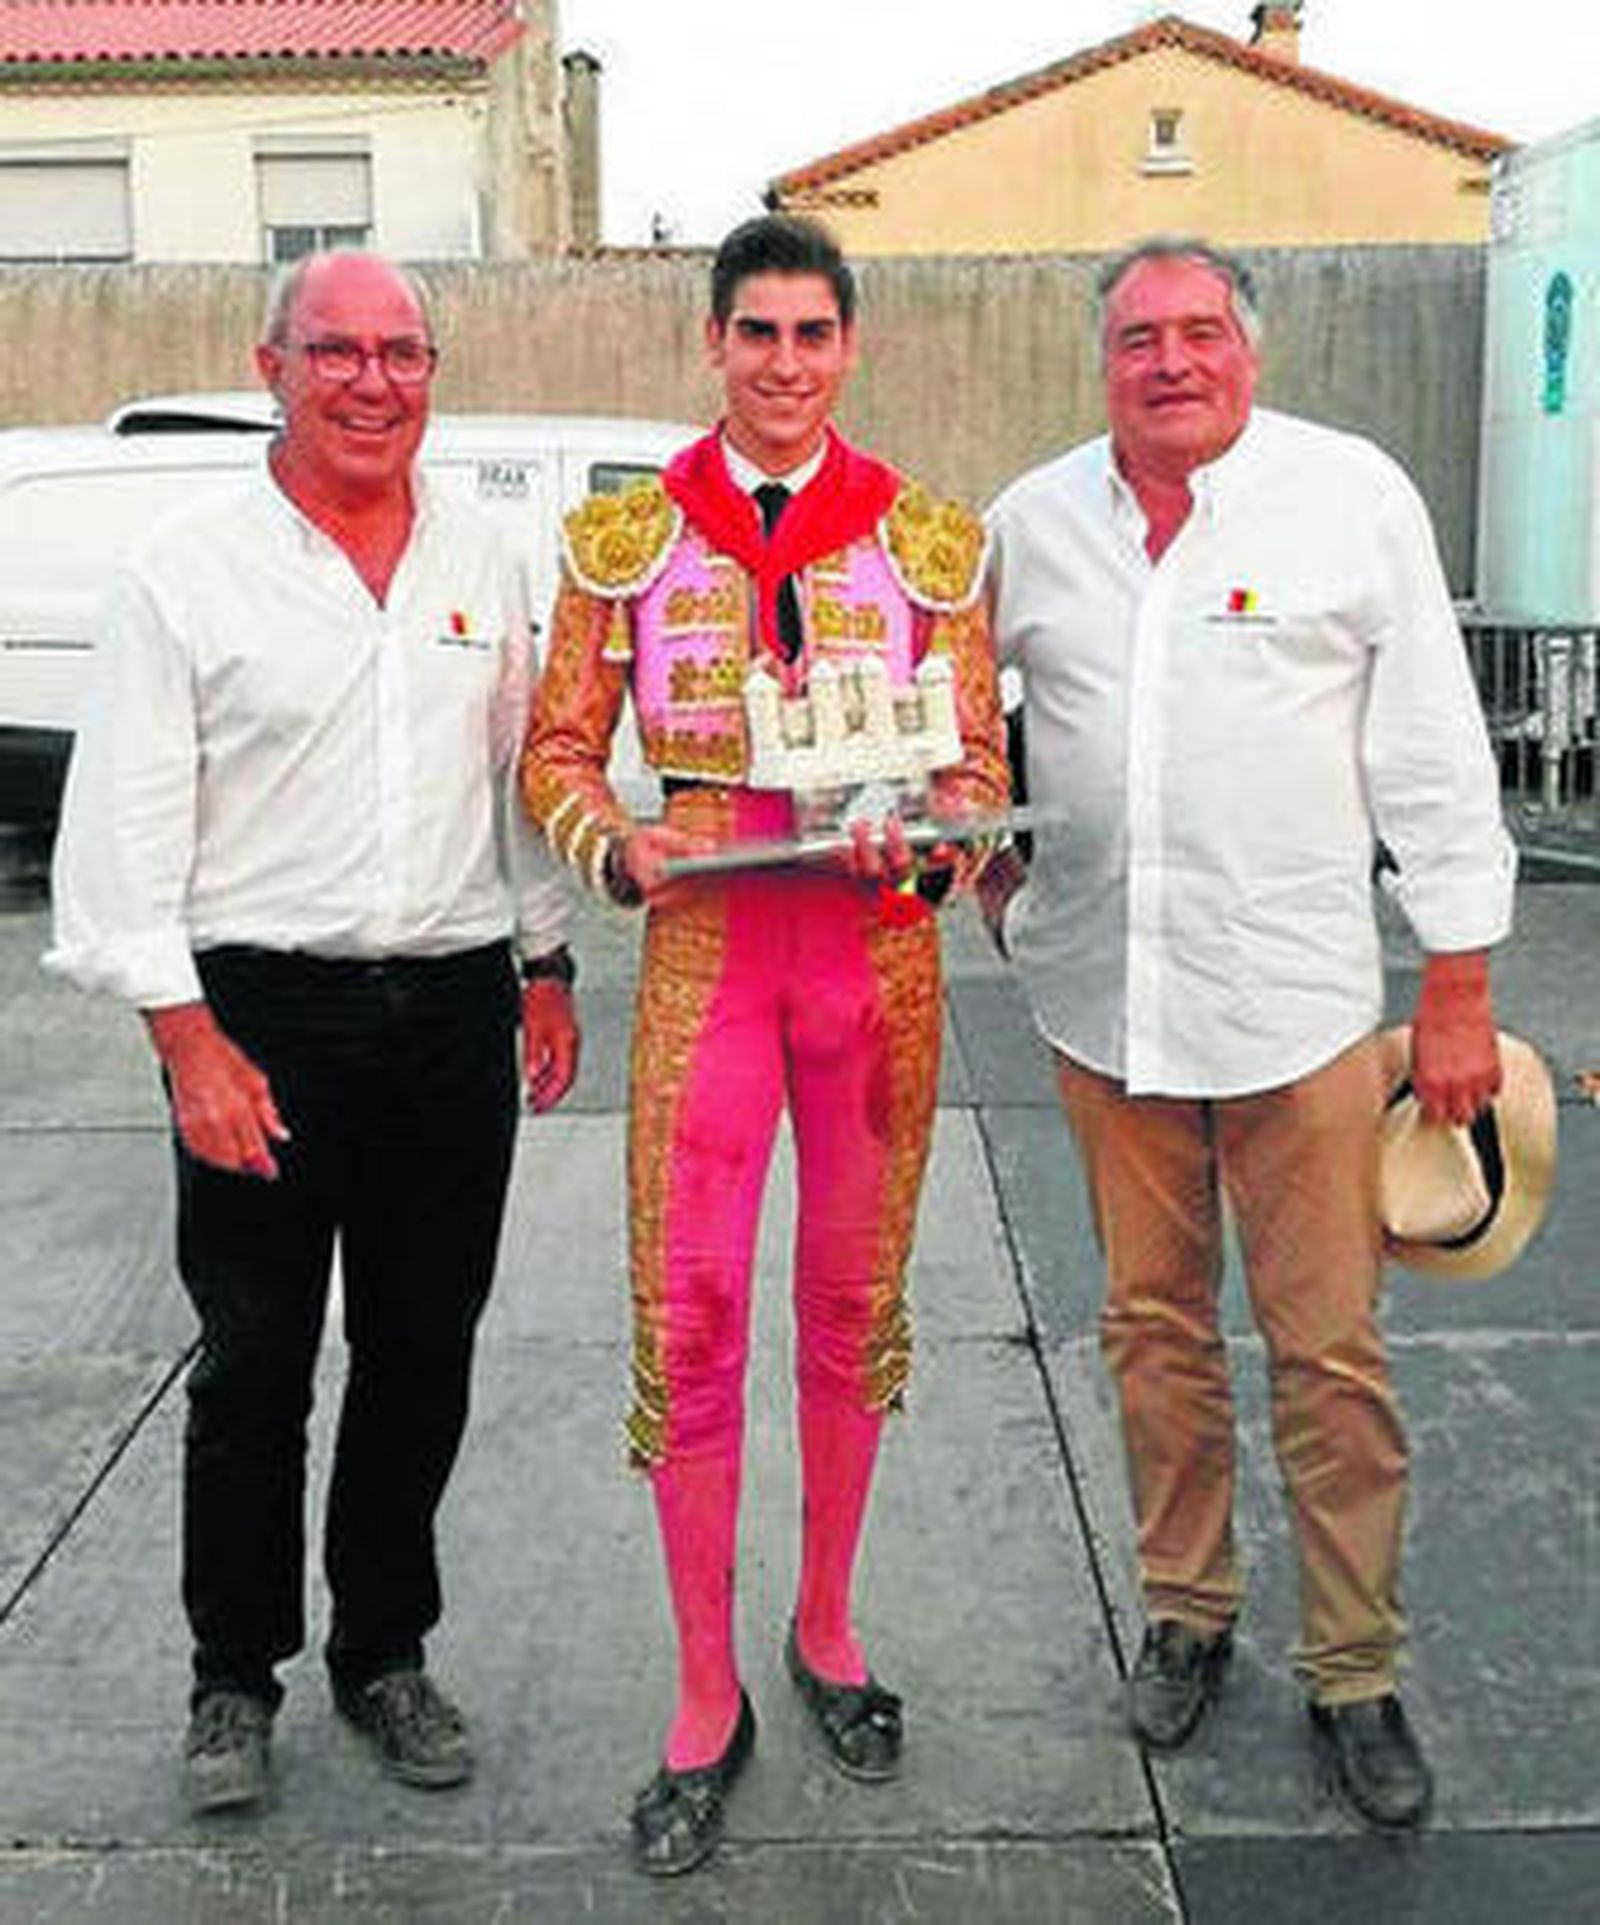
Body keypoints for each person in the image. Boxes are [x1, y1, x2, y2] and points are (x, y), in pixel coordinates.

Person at [983, 237, 1516, 1832]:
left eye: (1200, 331)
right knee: (1153, 1330)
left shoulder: (1350, 498)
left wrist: (1459, 980)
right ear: (1102, 363)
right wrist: (995, 884)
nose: (1171, 360)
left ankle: (1354, 1668)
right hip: (1107, 1006)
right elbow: (948, 717)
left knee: (1331, 1354)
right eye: (1139, 336)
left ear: (1251, 350)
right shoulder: (1031, 522)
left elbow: (1432, 747)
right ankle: (1185, 1609)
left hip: (1300, 1016)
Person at [47, 251, 579, 1814]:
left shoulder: (486, 555)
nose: (371, 381)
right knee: (254, 1361)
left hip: (452, 1011)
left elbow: (518, 781)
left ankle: (384, 1651)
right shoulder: (187, 570)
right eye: (336, 351)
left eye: (401, 352)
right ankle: (233, 1677)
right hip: (260, 1016)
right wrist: (186, 1039)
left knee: (422, 1349)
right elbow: (124, 822)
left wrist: (546, 962)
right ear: (269, 366)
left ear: (433, 372)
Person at [521, 214, 1006, 1874]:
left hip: (871, 954)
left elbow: (978, 774)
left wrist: (931, 844)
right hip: (709, 947)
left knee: (853, 1304)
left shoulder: (933, 540)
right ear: (713, 343)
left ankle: (826, 1624)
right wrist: (615, 844)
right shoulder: (627, 537)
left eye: (812, 332)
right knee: (694, 1315)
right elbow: (558, 749)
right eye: (757, 333)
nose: (785, 363)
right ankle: (702, 1686)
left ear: (849, 346)